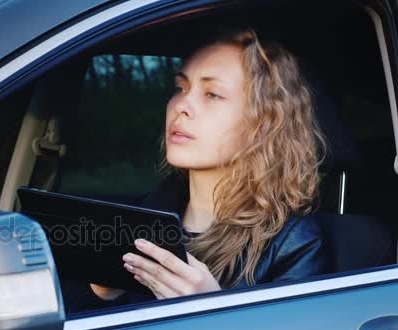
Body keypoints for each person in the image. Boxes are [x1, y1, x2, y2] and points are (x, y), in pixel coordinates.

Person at [63, 28, 332, 313]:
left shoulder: (295, 243)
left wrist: (212, 314)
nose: (182, 105)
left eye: (212, 94)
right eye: (180, 88)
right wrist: (102, 292)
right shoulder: (135, 219)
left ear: (264, 123)